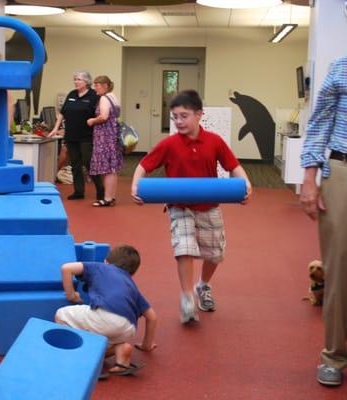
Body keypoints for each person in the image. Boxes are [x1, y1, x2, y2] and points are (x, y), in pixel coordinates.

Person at [130, 90, 252, 324]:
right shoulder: (169, 144)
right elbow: (143, 166)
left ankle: (202, 285)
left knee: (215, 254)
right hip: (180, 206)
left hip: (209, 206)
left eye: (184, 116)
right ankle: (187, 296)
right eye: (175, 116)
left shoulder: (214, 141)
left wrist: (245, 184)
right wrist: (136, 186)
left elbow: (233, 166)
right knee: (184, 248)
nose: (178, 121)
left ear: (199, 115)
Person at [299, 51, 347, 387]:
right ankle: (334, 356)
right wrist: (309, 178)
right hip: (345, 170)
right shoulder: (344, 67)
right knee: (340, 271)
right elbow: (320, 123)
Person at [55, 245, 157, 377]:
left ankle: (76, 354)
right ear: (132, 272)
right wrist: (146, 345)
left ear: (106, 261)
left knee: (61, 315)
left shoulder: (100, 267)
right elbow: (152, 317)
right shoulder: (132, 286)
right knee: (108, 338)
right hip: (128, 329)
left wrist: (71, 295)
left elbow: (66, 268)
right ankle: (120, 351)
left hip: (105, 317)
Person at [48, 71, 104, 201]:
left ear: (86, 82)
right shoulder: (72, 94)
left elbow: (100, 115)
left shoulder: (94, 96)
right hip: (71, 135)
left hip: (87, 136)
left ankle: (100, 190)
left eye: (78, 79)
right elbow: (62, 113)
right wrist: (55, 129)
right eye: (75, 79)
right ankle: (78, 191)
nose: (75, 81)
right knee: (75, 164)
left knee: (88, 162)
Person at [87, 75, 123, 207]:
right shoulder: (113, 97)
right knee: (112, 168)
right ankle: (111, 197)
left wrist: (92, 120)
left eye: (97, 85)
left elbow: (104, 116)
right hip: (112, 135)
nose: (95, 88)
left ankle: (107, 198)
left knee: (107, 169)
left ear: (105, 86)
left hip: (105, 136)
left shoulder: (103, 98)